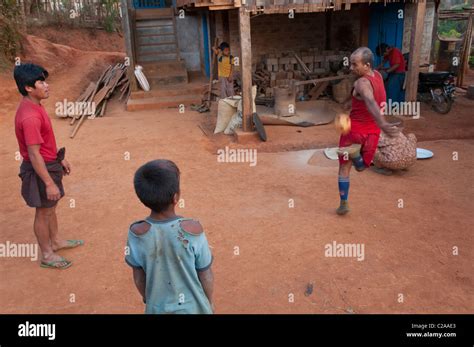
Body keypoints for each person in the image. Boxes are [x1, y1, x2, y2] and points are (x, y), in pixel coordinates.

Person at [14, 63, 83, 270]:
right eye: (41, 82)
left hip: (49, 164)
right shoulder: (30, 117)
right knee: (43, 212)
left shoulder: (34, 105)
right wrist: (48, 183)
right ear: (28, 87)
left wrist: (58, 158)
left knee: (50, 208)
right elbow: (34, 154)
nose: (46, 85)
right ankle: (47, 254)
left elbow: (43, 145)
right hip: (40, 170)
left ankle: (56, 241)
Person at [125, 159, 214, 314]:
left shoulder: (136, 233)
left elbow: (139, 278)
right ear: (175, 198)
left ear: (142, 198)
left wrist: (149, 299)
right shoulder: (193, 229)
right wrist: (209, 303)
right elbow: (205, 275)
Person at [336, 47, 399, 215]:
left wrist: (384, 123)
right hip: (373, 133)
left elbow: (370, 101)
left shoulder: (361, 83)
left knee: (344, 168)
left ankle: (344, 203)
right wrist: (349, 101)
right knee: (362, 167)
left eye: (354, 64)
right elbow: (367, 98)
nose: (350, 67)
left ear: (367, 65)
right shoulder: (377, 75)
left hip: (354, 131)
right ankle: (357, 157)